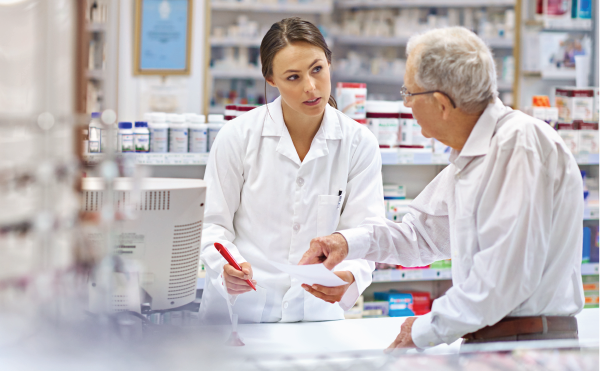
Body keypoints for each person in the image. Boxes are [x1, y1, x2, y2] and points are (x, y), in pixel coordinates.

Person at [300, 27, 584, 349]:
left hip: (528, 348)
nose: (406, 105)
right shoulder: (473, 156)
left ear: (441, 103)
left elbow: (501, 282)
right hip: (496, 343)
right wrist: (346, 243)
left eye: (408, 93)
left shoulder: (518, 147)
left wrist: (423, 330)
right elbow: (419, 237)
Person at [199, 17, 384, 324]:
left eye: (317, 69)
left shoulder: (358, 143)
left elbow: (366, 231)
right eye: (293, 77)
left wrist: (349, 275)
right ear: (271, 80)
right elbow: (211, 224)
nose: (311, 87)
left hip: (316, 316)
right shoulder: (238, 136)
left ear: (329, 63)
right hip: (240, 316)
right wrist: (226, 268)